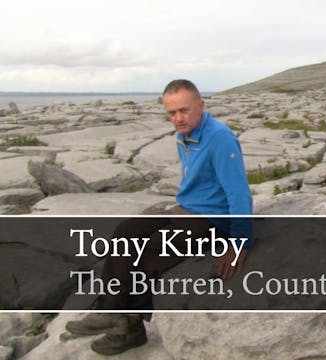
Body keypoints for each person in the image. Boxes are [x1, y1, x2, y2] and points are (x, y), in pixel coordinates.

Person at [65, 79, 253, 355]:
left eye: (184, 110)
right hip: (186, 209)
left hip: (214, 221)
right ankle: (114, 313)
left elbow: (239, 193)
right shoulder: (184, 134)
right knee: (125, 232)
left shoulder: (220, 138)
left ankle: (126, 325)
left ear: (201, 106)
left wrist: (240, 244)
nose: (178, 118)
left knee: (150, 250)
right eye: (171, 113)